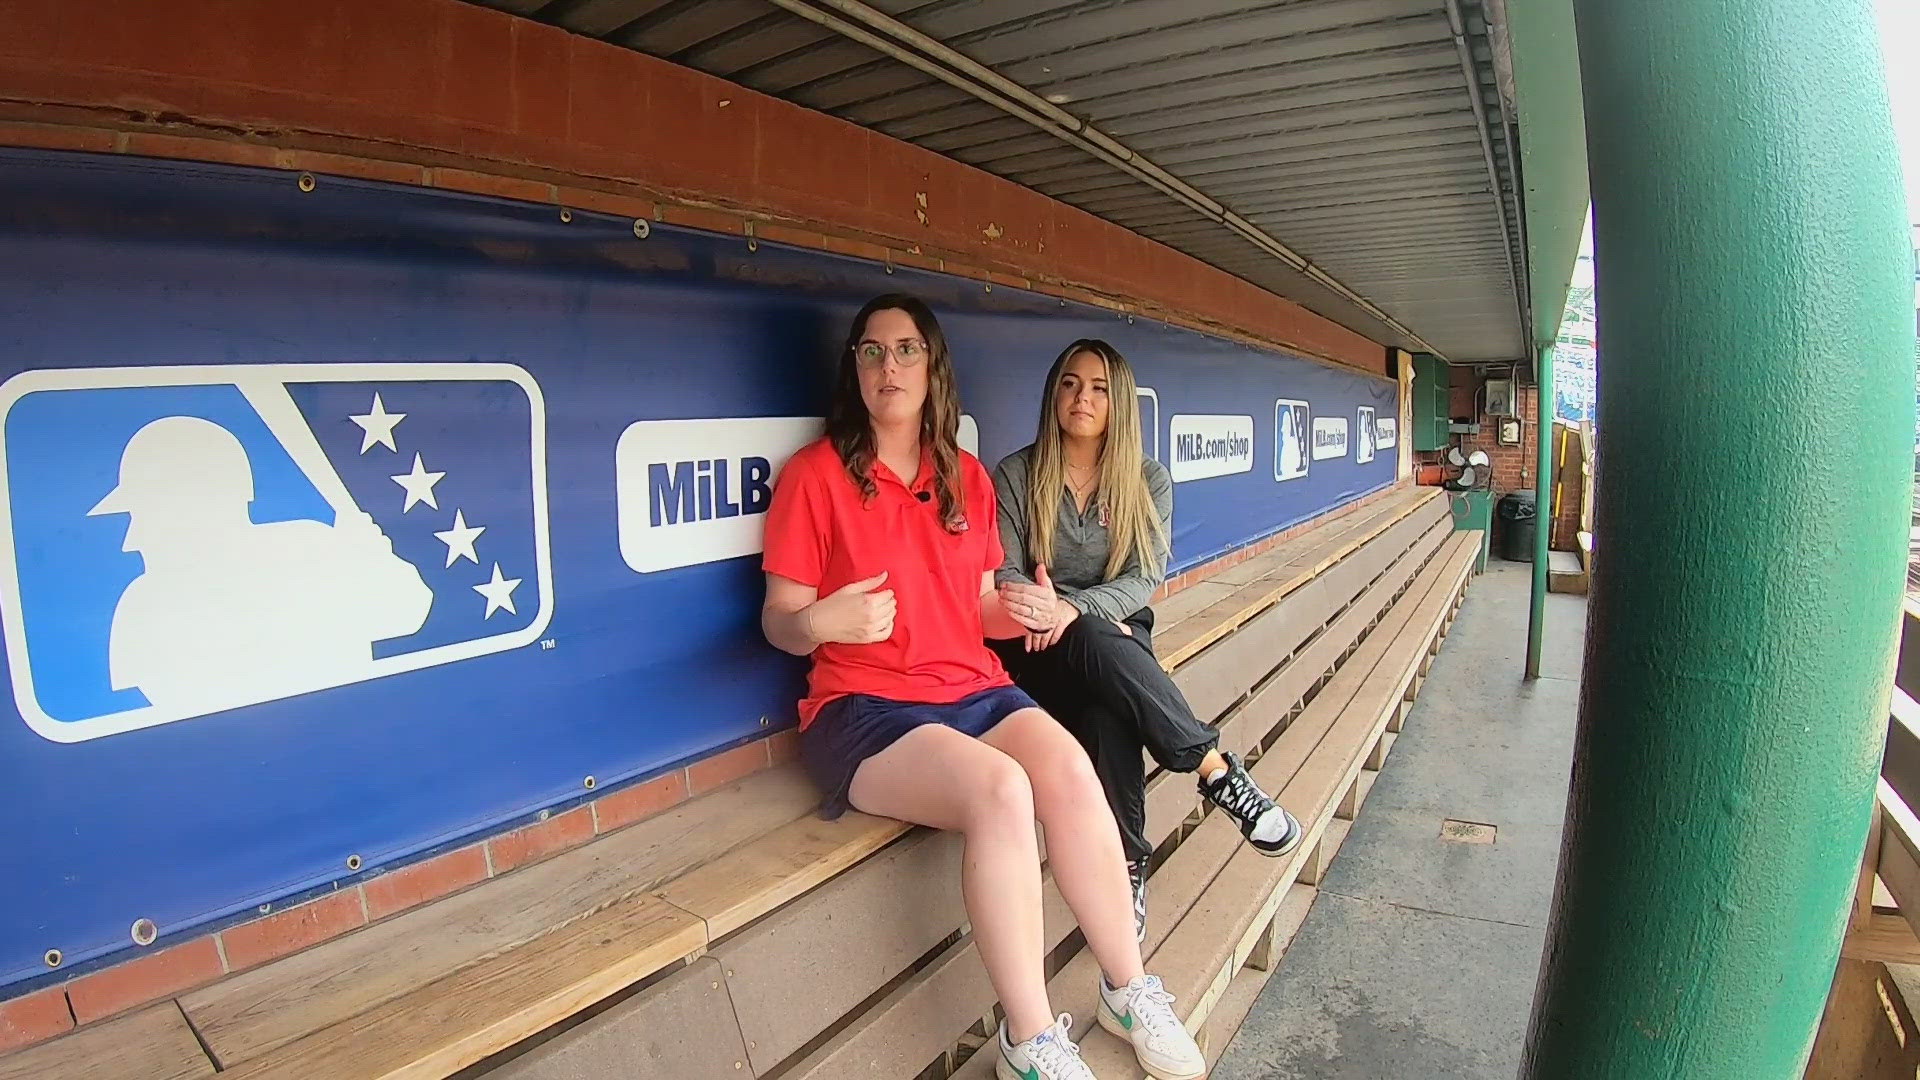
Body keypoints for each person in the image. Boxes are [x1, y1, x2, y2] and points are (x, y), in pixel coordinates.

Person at [761, 297, 1207, 1080]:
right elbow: (780, 622)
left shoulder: (964, 474)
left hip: (972, 686)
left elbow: (976, 612)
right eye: (871, 352)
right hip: (864, 711)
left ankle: (1128, 988)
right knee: (1003, 789)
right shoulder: (816, 474)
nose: (888, 368)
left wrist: (1023, 608)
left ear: (933, 369)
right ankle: (1029, 1041)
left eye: (905, 351)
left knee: (1069, 769)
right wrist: (822, 620)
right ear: (854, 370)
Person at [990, 339, 1303, 945]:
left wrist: (1074, 606)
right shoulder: (1016, 473)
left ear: (1120, 403)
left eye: (1099, 388)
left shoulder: (1146, 479)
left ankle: (1126, 869)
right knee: (1102, 652)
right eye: (1071, 384)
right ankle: (1216, 771)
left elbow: (1143, 578)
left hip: (1110, 639)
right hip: (1033, 648)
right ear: (1053, 392)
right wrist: (1044, 609)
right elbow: (1002, 572)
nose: (1083, 398)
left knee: (1109, 711)